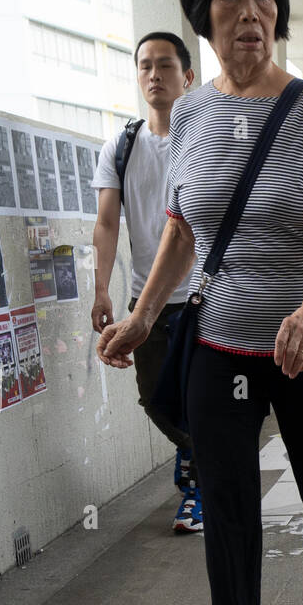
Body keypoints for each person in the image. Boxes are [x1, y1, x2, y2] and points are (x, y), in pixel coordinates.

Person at [96, 0, 303, 605]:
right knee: (224, 500)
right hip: (220, 338)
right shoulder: (188, 114)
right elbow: (183, 231)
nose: (251, 14)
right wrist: (145, 317)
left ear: (277, 15)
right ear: (203, 18)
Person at [92, 32, 204, 534]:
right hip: (147, 302)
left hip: (207, 296)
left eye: (164, 65)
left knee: (204, 397)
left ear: (188, 76)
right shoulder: (121, 145)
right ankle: (198, 454)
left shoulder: (208, 138)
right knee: (155, 398)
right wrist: (101, 288)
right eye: (144, 66)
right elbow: (107, 223)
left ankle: (197, 490)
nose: (153, 74)